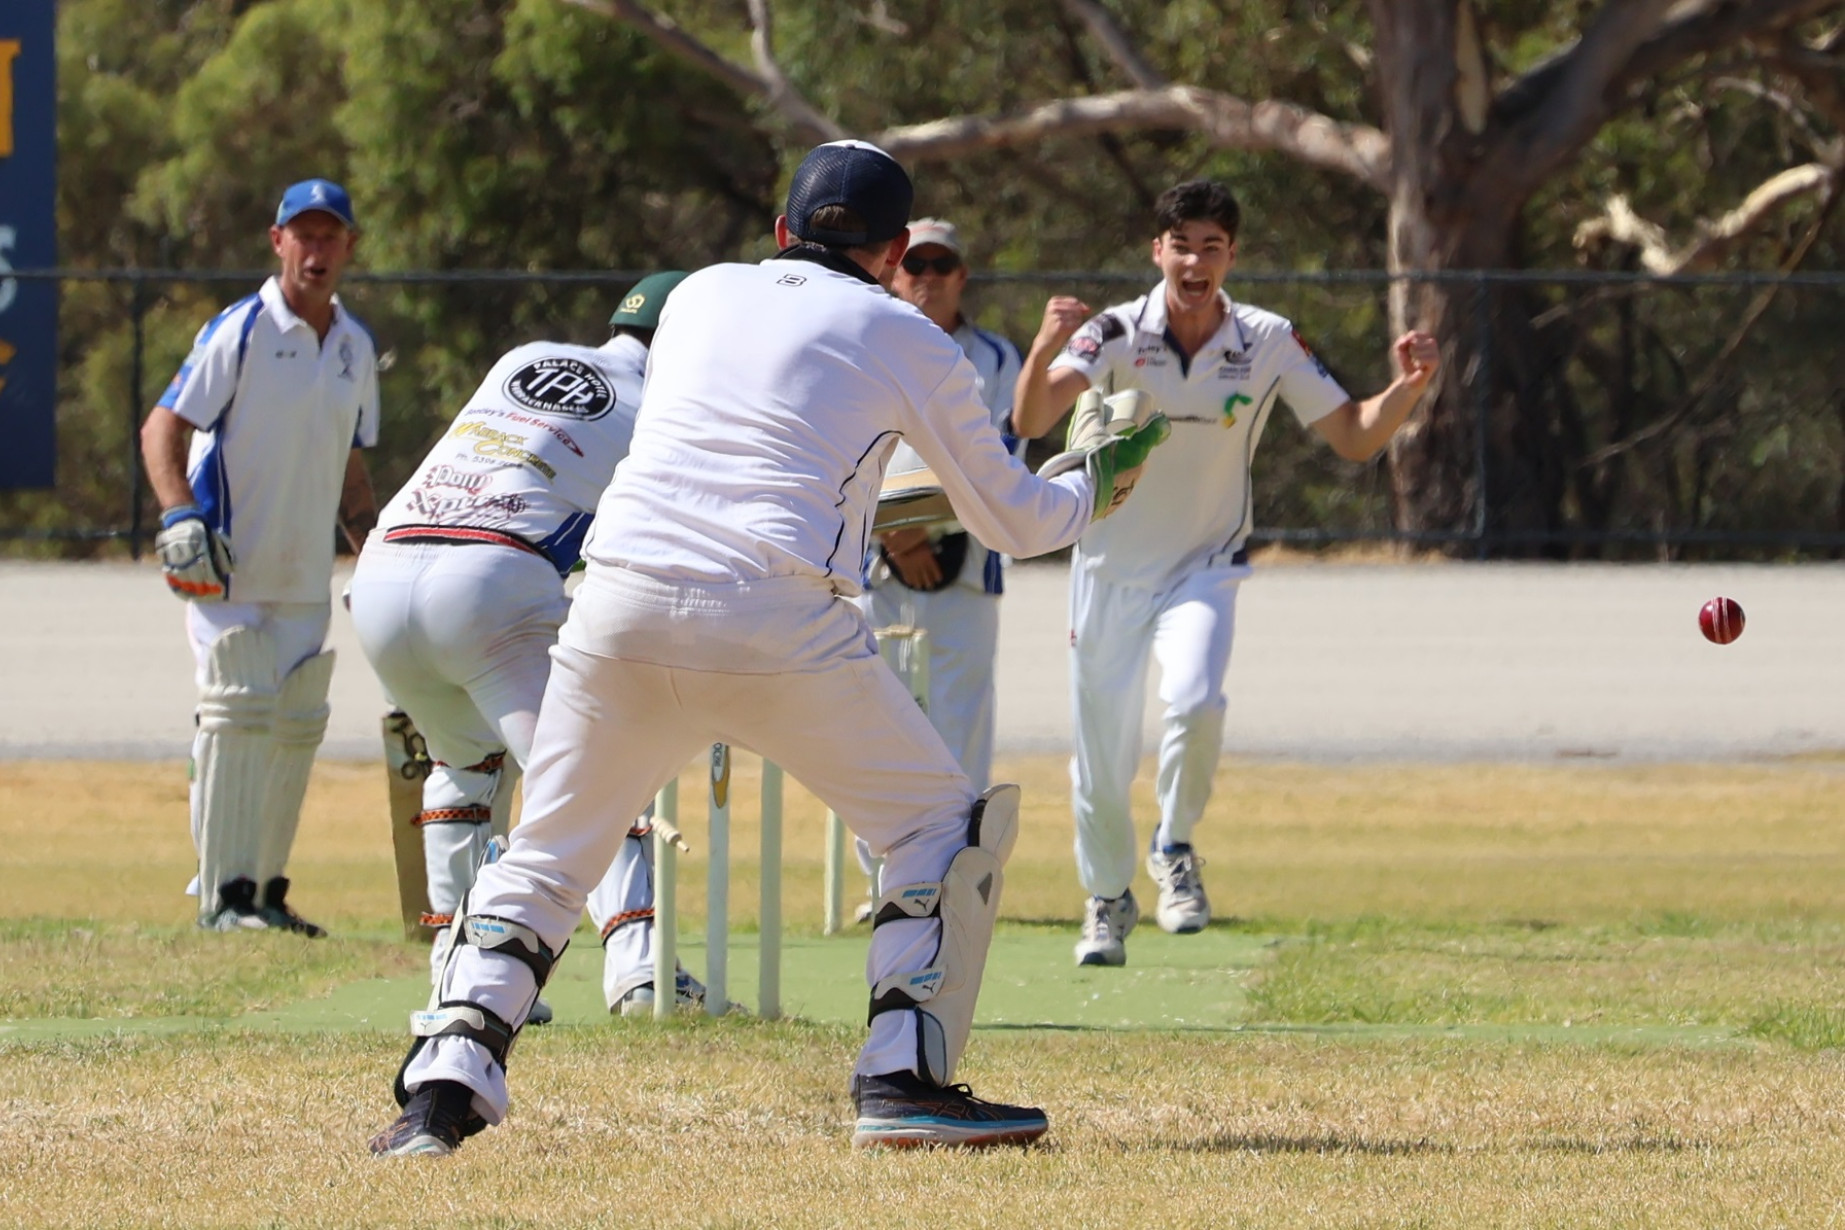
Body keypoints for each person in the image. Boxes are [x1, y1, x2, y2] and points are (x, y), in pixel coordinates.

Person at [367, 139, 1168, 1157]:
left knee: (549, 856)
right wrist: (1102, 479)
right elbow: (1017, 521)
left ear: (783, 230)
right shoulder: (910, 333)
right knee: (941, 827)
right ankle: (901, 1078)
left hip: (618, 606)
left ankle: (439, 1094)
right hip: (780, 617)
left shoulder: (701, 294)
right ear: (895, 251)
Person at [1013, 179, 1439, 968]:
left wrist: (1407, 388)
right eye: (1182, 245)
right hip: (1105, 568)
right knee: (1099, 756)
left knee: (1196, 700)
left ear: (1231, 256)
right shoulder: (1112, 333)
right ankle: (1106, 899)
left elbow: (1351, 436)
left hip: (1204, 565)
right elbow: (1033, 420)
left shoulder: (1267, 337)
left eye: (1212, 247)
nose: (1195, 261)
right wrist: (1042, 347)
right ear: (1158, 252)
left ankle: (1173, 845)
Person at [346, 273, 709, 1018]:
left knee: (464, 765)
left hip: (380, 576)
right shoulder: (668, 406)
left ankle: (456, 971)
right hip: (489, 580)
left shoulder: (526, 355)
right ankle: (642, 973)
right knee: (590, 773)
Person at [140, 178, 380, 937]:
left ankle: (266, 892)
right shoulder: (240, 330)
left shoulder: (354, 346)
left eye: (328, 236)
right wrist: (180, 512)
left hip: (305, 574)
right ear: (277, 242)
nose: (315, 249)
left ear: (348, 246)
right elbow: (162, 427)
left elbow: (351, 463)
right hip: (228, 570)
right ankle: (222, 897)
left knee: (294, 723)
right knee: (238, 714)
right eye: (301, 235)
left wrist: (373, 551)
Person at [865, 218, 1023, 793]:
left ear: (962, 275)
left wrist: (917, 526)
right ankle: (881, 881)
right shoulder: (865, 341)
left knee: (962, 731)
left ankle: (957, 876)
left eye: (941, 265)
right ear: (893, 271)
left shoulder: (1000, 359)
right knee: (879, 728)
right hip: (877, 568)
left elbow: (1001, 461)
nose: (927, 277)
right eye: (915, 265)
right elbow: (844, 451)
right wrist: (893, 535)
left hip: (968, 569)